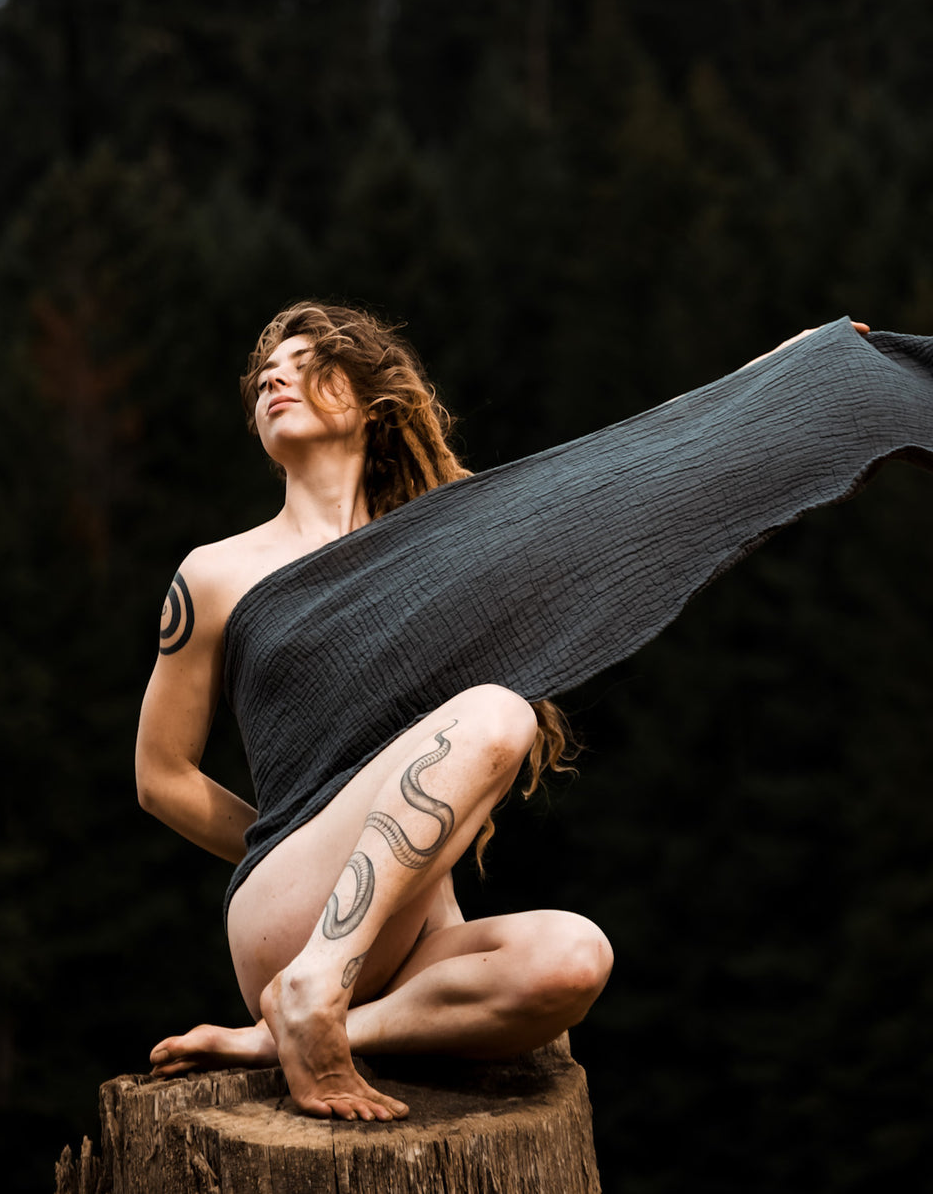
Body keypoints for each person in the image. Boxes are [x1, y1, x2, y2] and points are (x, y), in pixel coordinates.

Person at [136, 301, 616, 1122]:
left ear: (368, 403)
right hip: (289, 913)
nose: (275, 378)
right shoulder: (214, 573)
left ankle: (303, 1028)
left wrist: (769, 379)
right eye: (264, 377)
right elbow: (161, 776)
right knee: (502, 714)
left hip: (413, 928)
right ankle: (315, 980)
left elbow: (607, 491)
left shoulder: (431, 558)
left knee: (576, 955)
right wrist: (283, 839)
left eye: (309, 363)